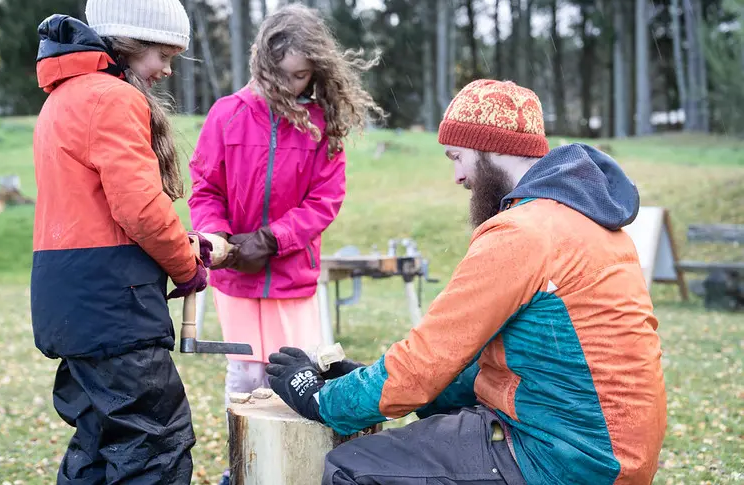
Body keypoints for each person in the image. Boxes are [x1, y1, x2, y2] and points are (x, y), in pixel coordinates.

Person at [266, 79, 668, 485]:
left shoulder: (523, 233)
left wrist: (321, 399)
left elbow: (425, 362)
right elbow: (491, 359)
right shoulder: (585, 220)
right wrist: (364, 379)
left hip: (566, 459)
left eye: (457, 156)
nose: (458, 176)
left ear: (490, 146)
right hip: (610, 450)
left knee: (352, 467)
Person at [30, 0, 222, 484]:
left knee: (96, 445)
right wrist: (186, 267)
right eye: (162, 54)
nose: (165, 70)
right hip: (115, 306)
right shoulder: (112, 98)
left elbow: (96, 213)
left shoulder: (62, 99)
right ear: (131, 42)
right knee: (153, 444)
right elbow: (138, 209)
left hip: (69, 301)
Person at [187, 3, 384, 484]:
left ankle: (300, 473)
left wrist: (272, 240)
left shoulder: (321, 126)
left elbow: (325, 200)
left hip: (293, 278)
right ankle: (245, 468)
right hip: (235, 279)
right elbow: (204, 187)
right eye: (283, 74)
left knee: (297, 377)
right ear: (261, 63)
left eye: (302, 76)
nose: (291, 85)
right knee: (246, 379)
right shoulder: (226, 115)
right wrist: (221, 240)